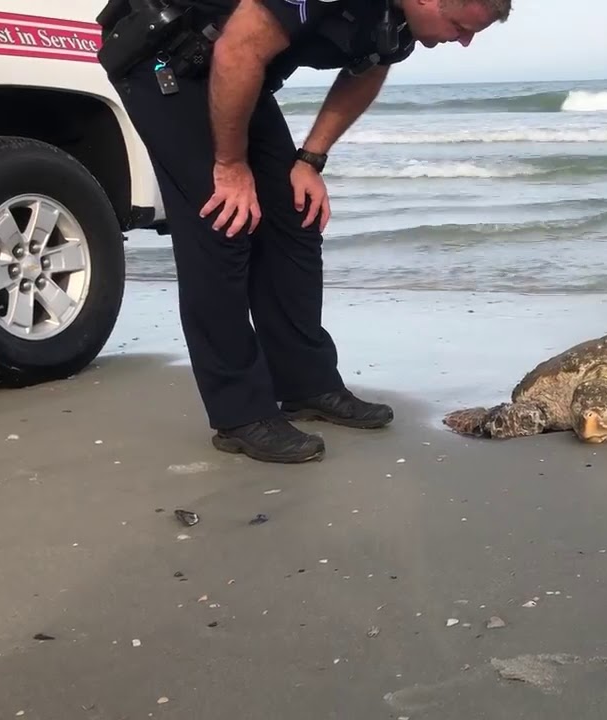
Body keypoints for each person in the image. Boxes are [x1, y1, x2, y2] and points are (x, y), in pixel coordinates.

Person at [95, 0, 511, 463]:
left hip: (231, 67)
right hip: (164, 58)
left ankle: (305, 384)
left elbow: (369, 68)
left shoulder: (403, 23)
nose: (465, 40)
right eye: (459, 27)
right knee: (225, 223)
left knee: (294, 214)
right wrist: (230, 166)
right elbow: (239, 48)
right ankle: (239, 414)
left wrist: (310, 160)